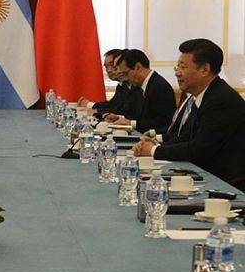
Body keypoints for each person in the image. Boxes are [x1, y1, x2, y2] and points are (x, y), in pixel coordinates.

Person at [134, 39, 245, 188]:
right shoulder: (203, 96)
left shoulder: (221, 100)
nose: (177, 73)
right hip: (204, 175)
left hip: (225, 185)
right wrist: (156, 144)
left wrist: (154, 151)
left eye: (183, 67)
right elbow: (185, 138)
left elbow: (199, 149)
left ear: (205, 70)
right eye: (177, 67)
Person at [104, 49, 175, 133]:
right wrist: (120, 118)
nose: (126, 79)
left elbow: (162, 123)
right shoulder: (144, 85)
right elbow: (140, 117)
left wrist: (131, 123)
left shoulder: (159, 87)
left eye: (126, 74)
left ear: (138, 67)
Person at [78, 49, 139, 118]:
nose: (109, 70)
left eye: (112, 65)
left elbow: (124, 111)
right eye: (106, 67)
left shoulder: (135, 85)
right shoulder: (121, 85)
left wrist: (97, 112)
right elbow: (112, 104)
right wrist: (90, 105)